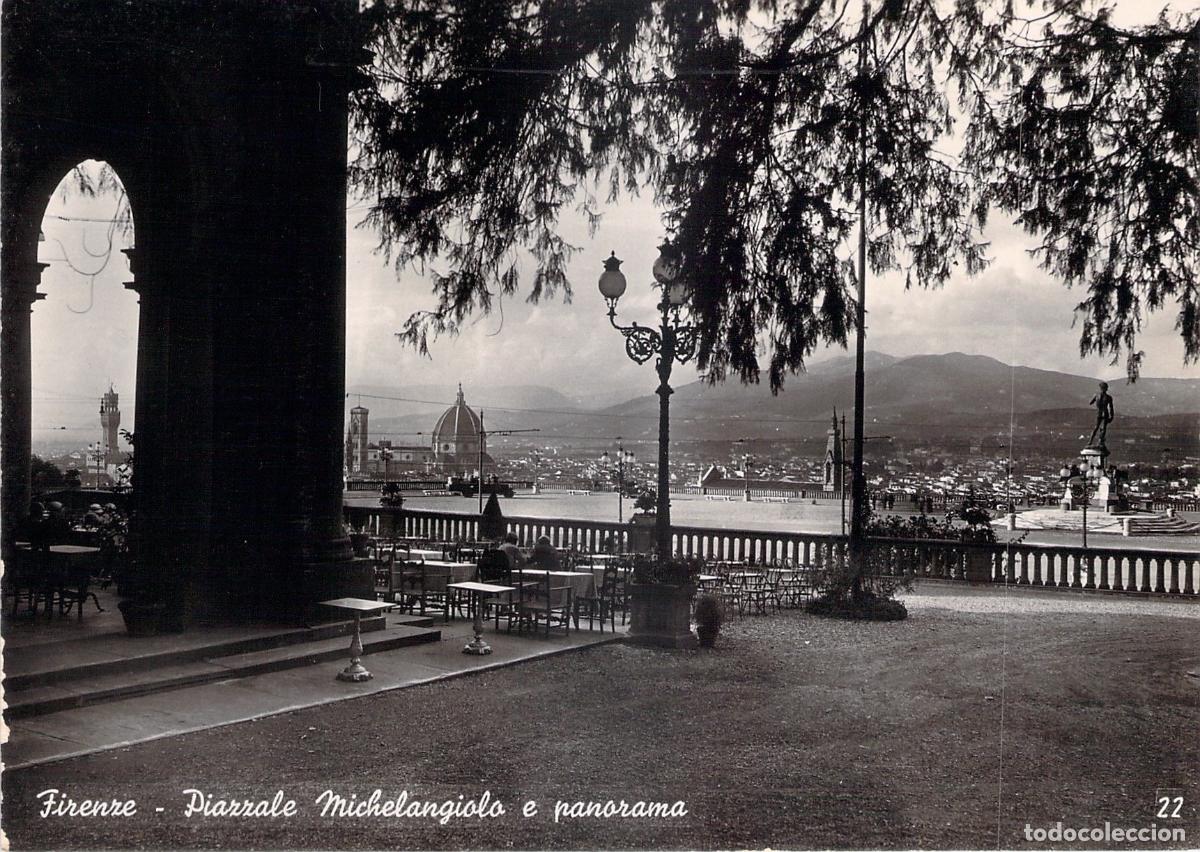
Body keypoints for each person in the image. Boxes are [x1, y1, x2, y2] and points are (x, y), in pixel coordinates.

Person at [1088, 381, 1115, 448]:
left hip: (1099, 413)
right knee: (1102, 428)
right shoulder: (1108, 397)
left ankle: (1091, 441)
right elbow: (1111, 408)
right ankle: (1099, 442)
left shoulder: (1096, 395)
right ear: (1106, 388)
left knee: (1096, 428)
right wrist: (1112, 416)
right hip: (1104, 413)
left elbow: (1090, 402)